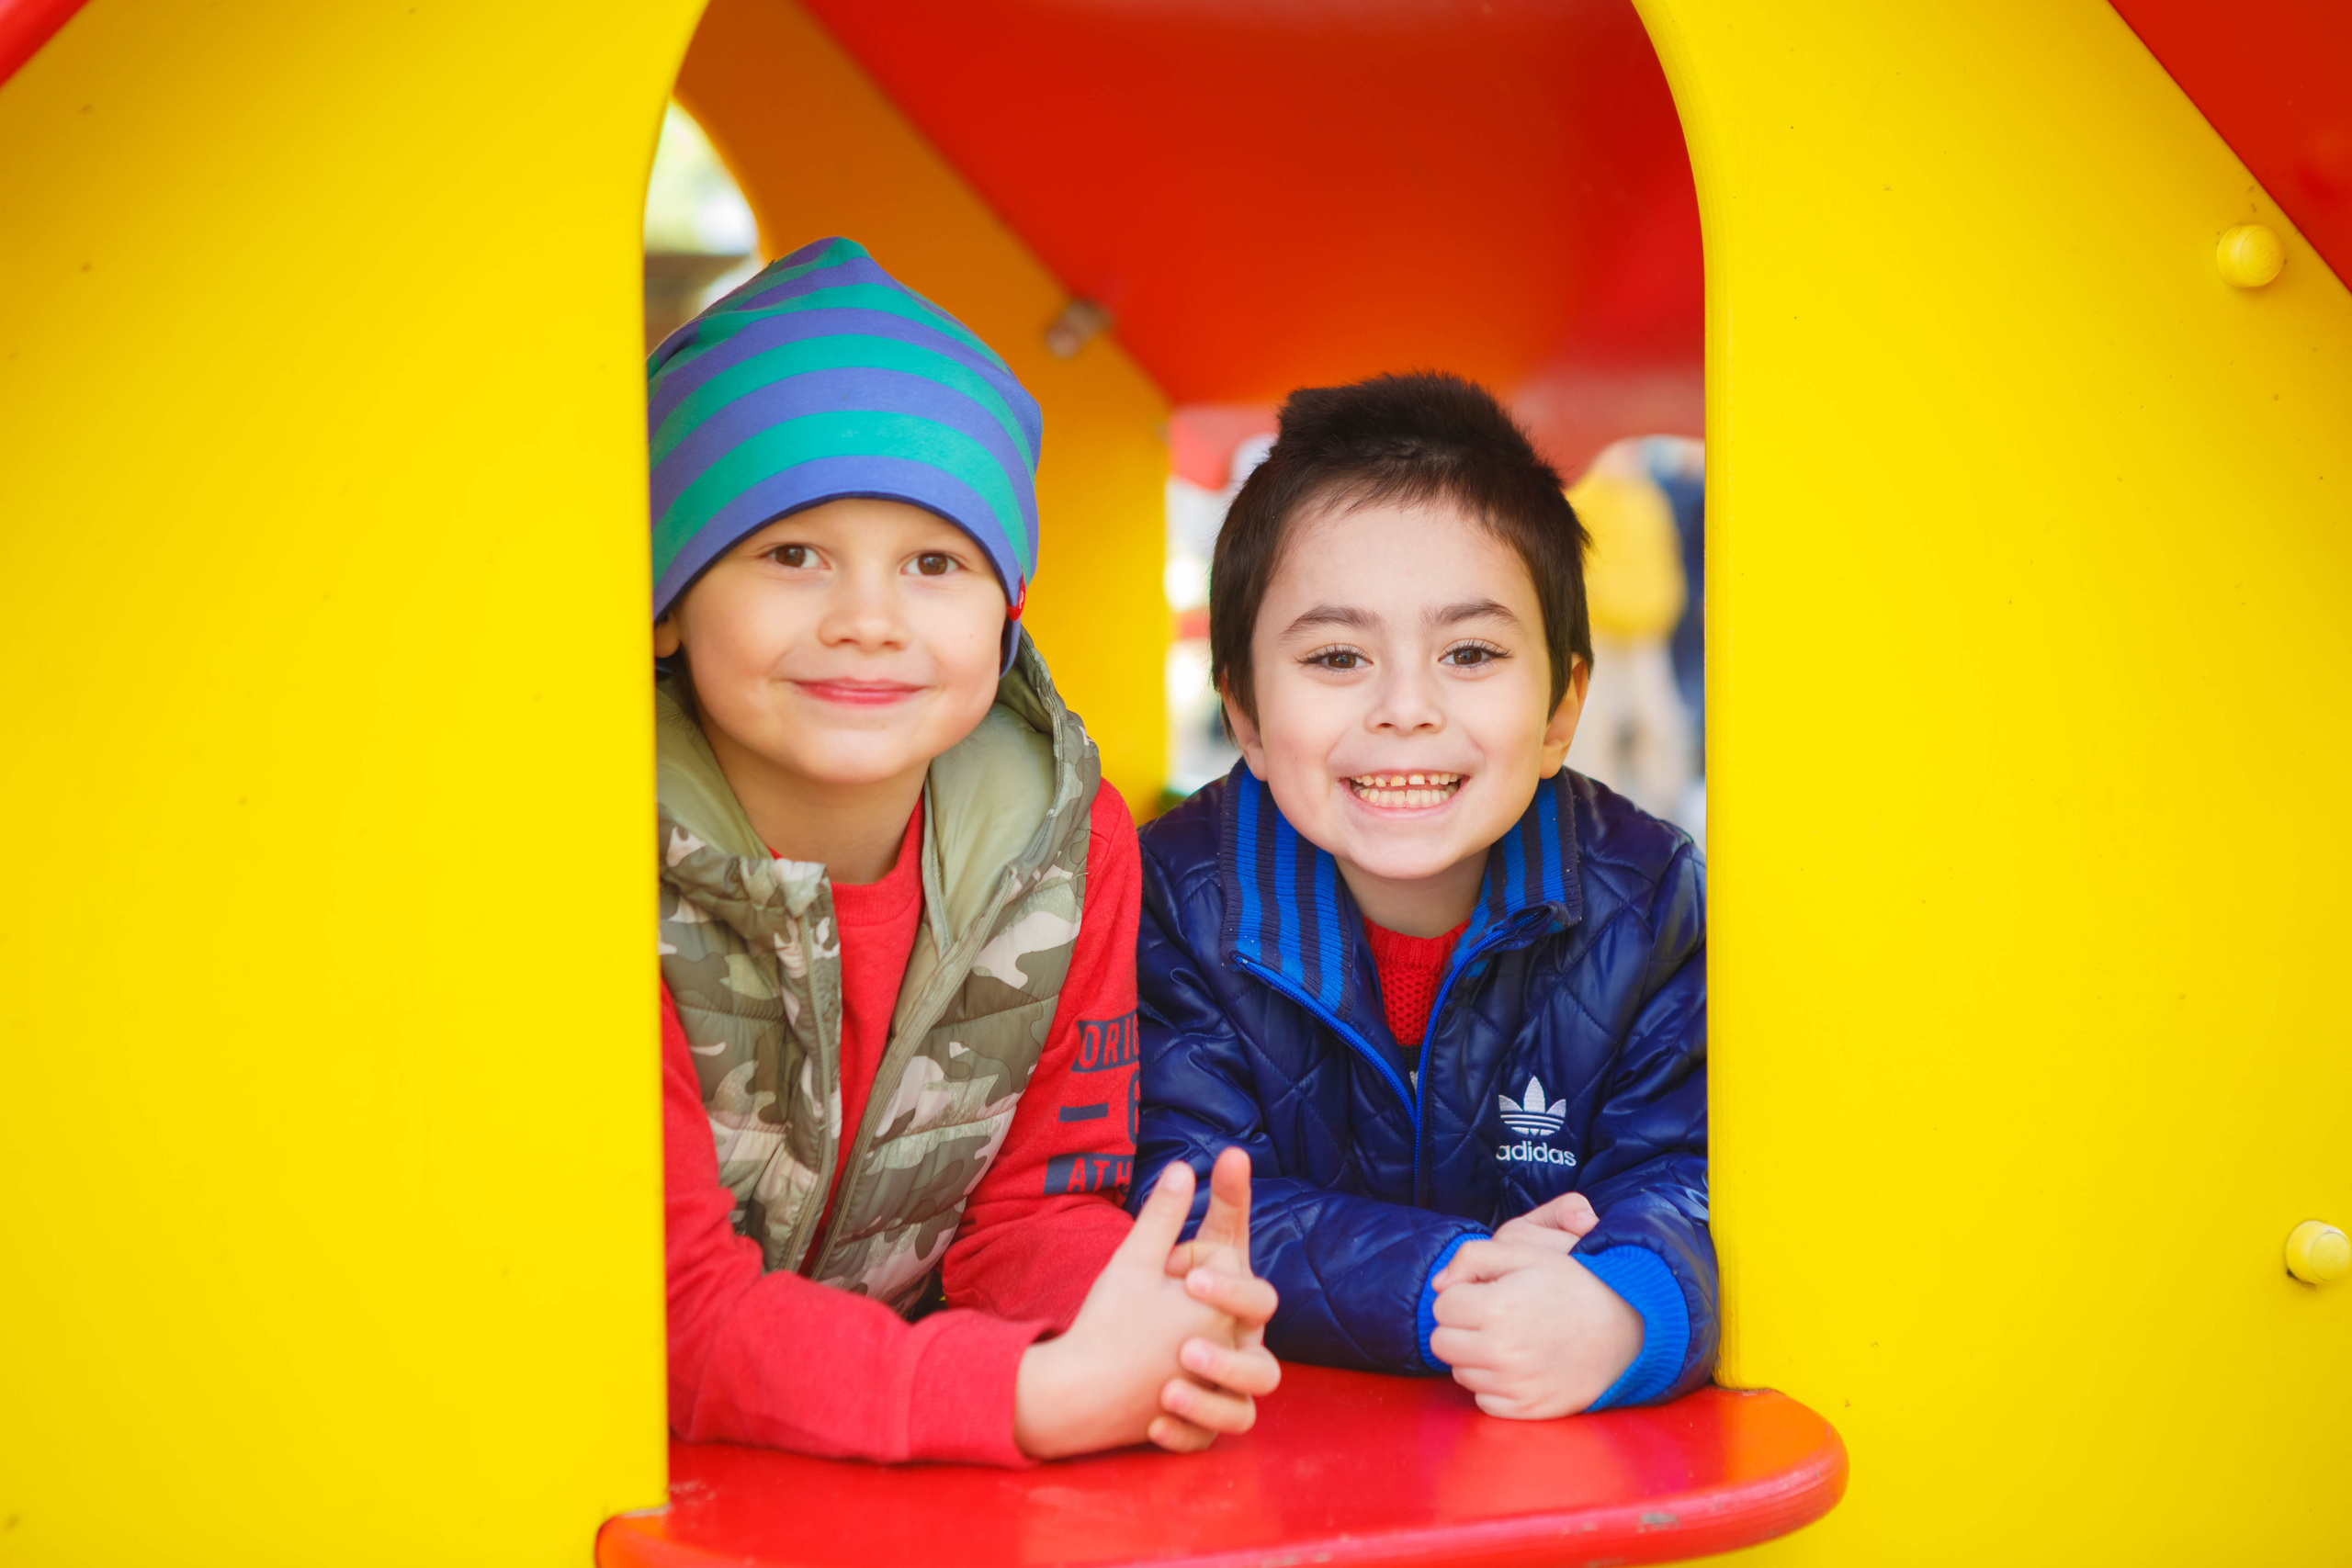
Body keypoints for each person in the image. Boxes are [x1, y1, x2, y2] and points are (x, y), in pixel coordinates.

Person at [650, 236, 1278, 1464]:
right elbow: (663, 1311)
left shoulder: (1061, 845)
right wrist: (1021, 1399)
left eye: (934, 563)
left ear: (1007, 612)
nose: (867, 619)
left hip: (893, 1471)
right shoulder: (583, 862)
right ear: (668, 598)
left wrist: (1149, 1323)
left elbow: (1033, 1210)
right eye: (791, 553)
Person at [1133, 372, 1713, 1419]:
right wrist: (1448, 1279)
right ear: (1246, 716)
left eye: (1471, 653)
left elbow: (1687, 1173)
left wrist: (1626, 1311)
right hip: (1273, 1443)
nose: (1406, 708)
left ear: (1560, 709)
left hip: (1551, 1457)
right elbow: (1186, 1200)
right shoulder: (1177, 898)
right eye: (1337, 656)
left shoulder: (1645, 898)